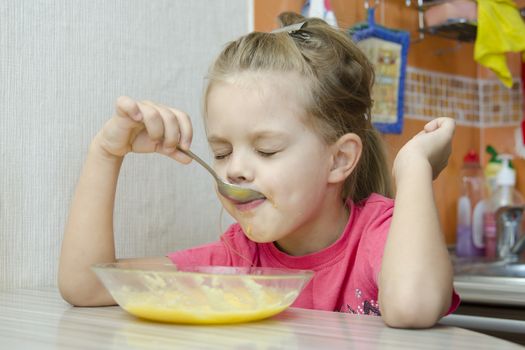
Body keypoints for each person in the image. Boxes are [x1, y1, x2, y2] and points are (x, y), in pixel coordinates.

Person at [58, 12, 459, 328]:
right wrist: (107, 152)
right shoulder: (238, 258)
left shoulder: (380, 233)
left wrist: (414, 169)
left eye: (266, 150)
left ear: (338, 160)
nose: (235, 170)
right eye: (221, 151)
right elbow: (87, 286)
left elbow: (413, 306)